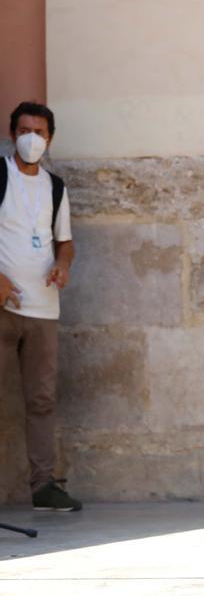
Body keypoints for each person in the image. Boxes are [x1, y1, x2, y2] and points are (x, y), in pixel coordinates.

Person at [0, 101, 80, 512]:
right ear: (12, 134)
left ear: (50, 139)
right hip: (3, 306)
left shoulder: (55, 187)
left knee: (42, 400)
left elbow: (64, 242)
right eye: (24, 131)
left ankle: (44, 485)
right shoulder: (0, 176)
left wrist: (62, 266)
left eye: (40, 132)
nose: (32, 139)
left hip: (43, 310)